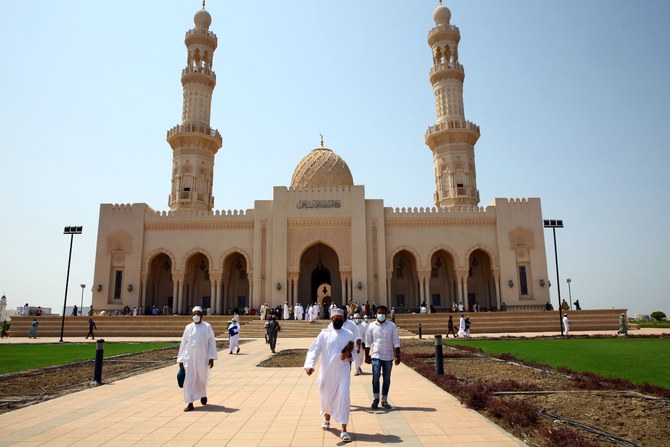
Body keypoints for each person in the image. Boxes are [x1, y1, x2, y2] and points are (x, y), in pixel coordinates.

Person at [304, 308, 355, 443]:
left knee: (344, 396)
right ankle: (327, 417)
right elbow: (314, 349)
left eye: (340, 317)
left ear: (344, 319)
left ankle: (344, 429)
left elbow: (353, 352)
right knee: (327, 398)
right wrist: (310, 365)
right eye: (335, 317)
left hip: (343, 371)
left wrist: (348, 355)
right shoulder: (324, 334)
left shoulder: (349, 334)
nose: (337, 319)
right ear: (331, 319)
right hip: (327, 372)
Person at [177, 306, 218, 412]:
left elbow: (212, 342)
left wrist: (211, 357)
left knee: (202, 378)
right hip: (189, 358)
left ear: (202, 316)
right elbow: (183, 343)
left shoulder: (207, 327)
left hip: (202, 357)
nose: (196, 316)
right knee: (189, 379)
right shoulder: (188, 327)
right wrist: (181, 360)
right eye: (194, 314)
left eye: (198, 314)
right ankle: (189, 402)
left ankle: (203, 394)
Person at [364, 305, 401, 410]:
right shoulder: (371, 326)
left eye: (383, 313)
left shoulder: (391, 326)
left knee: (387, 378)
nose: (381, 315)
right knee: (375, 377)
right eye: (379, 313)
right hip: (376, 355)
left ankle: (384, 400)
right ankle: (376, 398)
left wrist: (397, 356)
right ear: (376, 313)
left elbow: (396, 341)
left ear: (386, 314)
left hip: (388, 356)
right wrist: (367, 356)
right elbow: (368, 341)